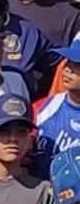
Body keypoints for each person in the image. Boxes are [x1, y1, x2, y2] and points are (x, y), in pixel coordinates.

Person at [34, 41, 80, 174]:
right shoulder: (42, 107)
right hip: (43, 190)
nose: (67, 69)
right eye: (68, 62)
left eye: (76, 65)